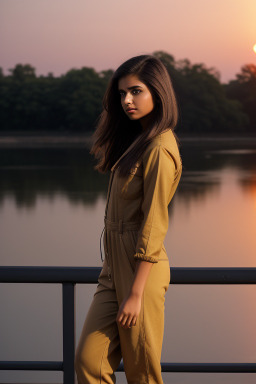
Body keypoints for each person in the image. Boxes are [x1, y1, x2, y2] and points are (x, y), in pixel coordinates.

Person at [75, 55, 182, 384]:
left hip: (141, 273)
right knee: (88, 362)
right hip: (113, 271)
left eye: (136, 91)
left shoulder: (160, 148)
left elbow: (154, 224)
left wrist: (136, 292)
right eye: (122, 94)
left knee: (142, 374)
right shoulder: (139, 141)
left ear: (158, 92)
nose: (127, 101)